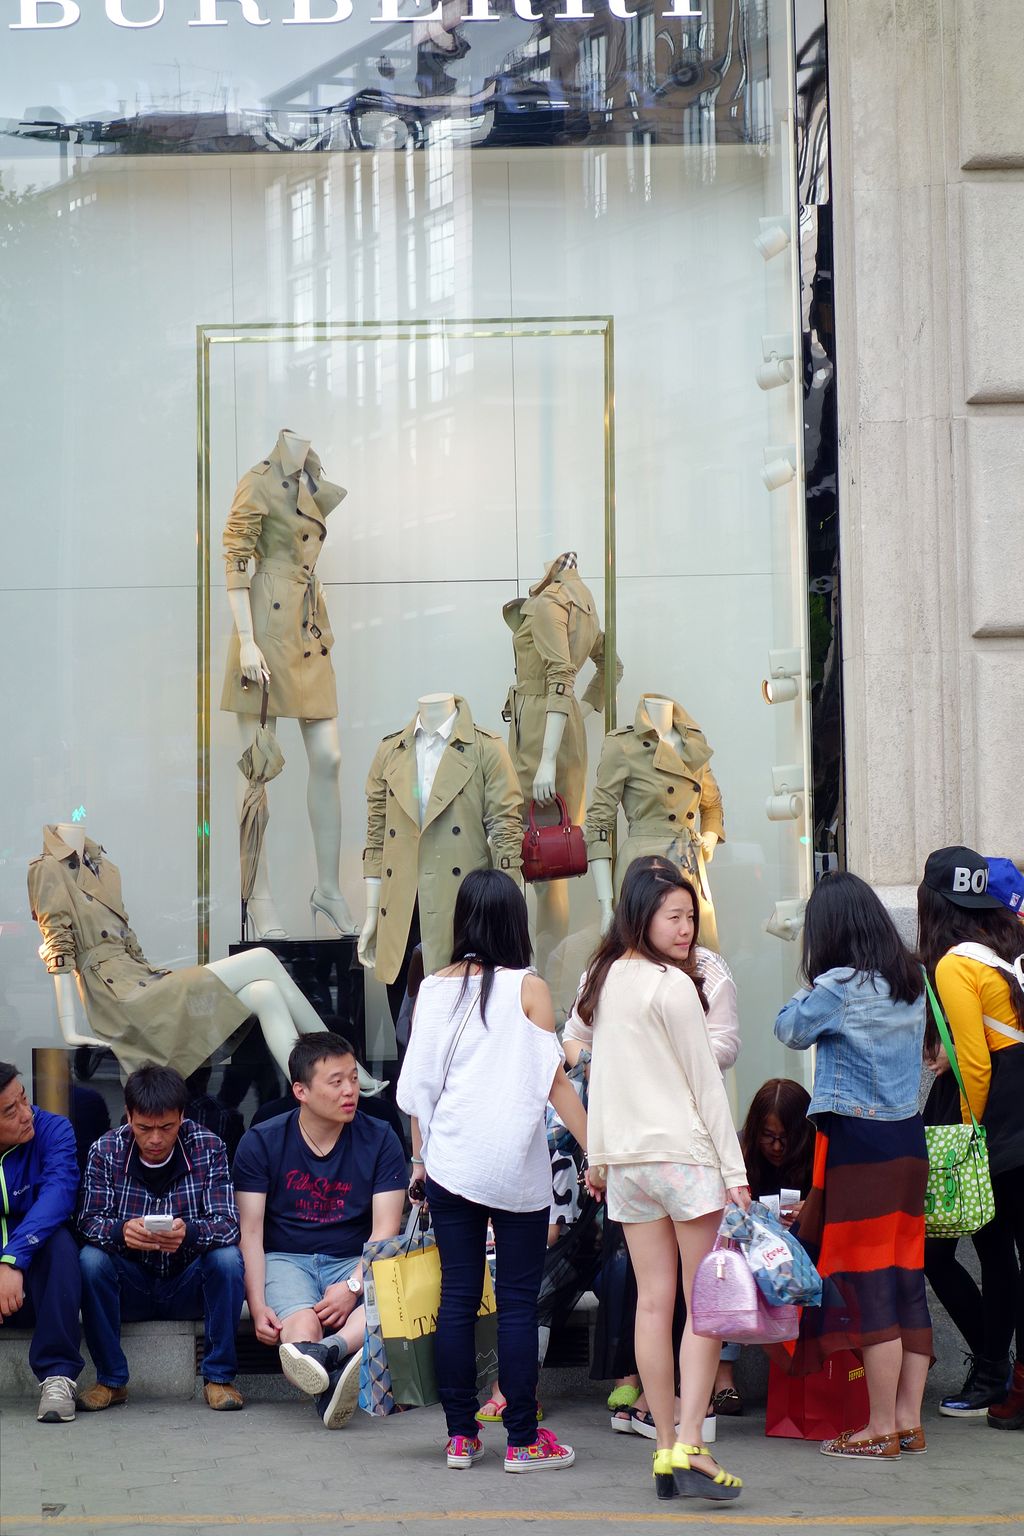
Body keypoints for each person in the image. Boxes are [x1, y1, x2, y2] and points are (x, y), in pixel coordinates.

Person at [396, 869, 588, 1473]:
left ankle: (460, 1437)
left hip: (452, 1162)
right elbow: (554, 1082)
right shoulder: (528, 987)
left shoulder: (432, 988)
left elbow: (419, 1092)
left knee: (456, 1295)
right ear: (514, 922)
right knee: (517, 1302)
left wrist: (420, 1161)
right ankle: (524, 1441)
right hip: (514, 1169)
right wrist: (598, 1151)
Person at [576, 862, 748, 1503]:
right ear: (641, 915)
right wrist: (735, 1173)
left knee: (653, 1301)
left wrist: (598, 1155)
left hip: (628, 1166)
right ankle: (692, 1447)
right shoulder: (675, 986)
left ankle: (662, 1444)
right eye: (672, 916)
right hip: (684, 1158)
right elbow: (707, 1087)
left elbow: (594, 1070)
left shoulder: (606, 978)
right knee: (704, 1305)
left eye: (689, 915)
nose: (685, 928)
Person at [775, 870, 931, 1462]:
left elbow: (788, 1029)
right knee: (905, 1281)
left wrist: (809, 985)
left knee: (870, 1290)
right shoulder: (911, 980)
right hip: (907, 1144)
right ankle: (909, 1422)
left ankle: (879, 1427)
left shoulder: (838, 984)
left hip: (860, 1149)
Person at [233, 1033, 406, 1429]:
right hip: (286, 1259)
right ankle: (331, 1378)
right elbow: (252, 1232)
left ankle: (329, 1353)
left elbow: (385, 1231)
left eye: (353, 1078)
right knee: (299, 1329)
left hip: (355, 1258)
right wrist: (257, 1305)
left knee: (384, 1304)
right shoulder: (262, 1141)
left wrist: (353, 1287)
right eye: (336, 1082)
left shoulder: (380, 1138)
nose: (351, 1091)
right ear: (301, 1090)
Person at [917, 845, 1024, 1427]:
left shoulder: (954, 963)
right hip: (1009, 1120)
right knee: (996, 1252)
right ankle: (996, 1367)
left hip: (986, 1122)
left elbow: (976, 1066)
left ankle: (993, 1370)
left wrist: (967, 1137)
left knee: (953, 1249)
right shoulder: (1005, 952)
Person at [76, 1063, 246, 1412]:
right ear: (128, 1116)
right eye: (144, 1128)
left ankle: (219, 1378)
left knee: (227, 1259)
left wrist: (191, 1232)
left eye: (166, 1127)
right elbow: (87, 1222)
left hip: (188, 1282)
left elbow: (229, 1224)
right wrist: (121, 1232)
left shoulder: (208, 1147)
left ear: (182, 1117)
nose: (155, 1138)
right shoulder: (106, 1151)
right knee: (90, 1260)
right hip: (131, 1284)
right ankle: (111, 1380)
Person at [711, 1078, 815, 1416]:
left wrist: (811, 1211)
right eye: (768, 1136)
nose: (776, 1146)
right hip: (752, 1251)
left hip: (802, 1252)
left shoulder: (817, 1155)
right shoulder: (740, 1153)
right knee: (725, 1268)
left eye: (785, 1138)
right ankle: (723, 1380)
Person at [0, 1062, 83, 1424]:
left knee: (60, 1242)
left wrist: (12, 1260)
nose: (25, 1114)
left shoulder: (54, 1129)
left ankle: (58, 1376)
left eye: (24, 1099)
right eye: (9, 1111)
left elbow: (58, 1196)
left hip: (36, 1282)